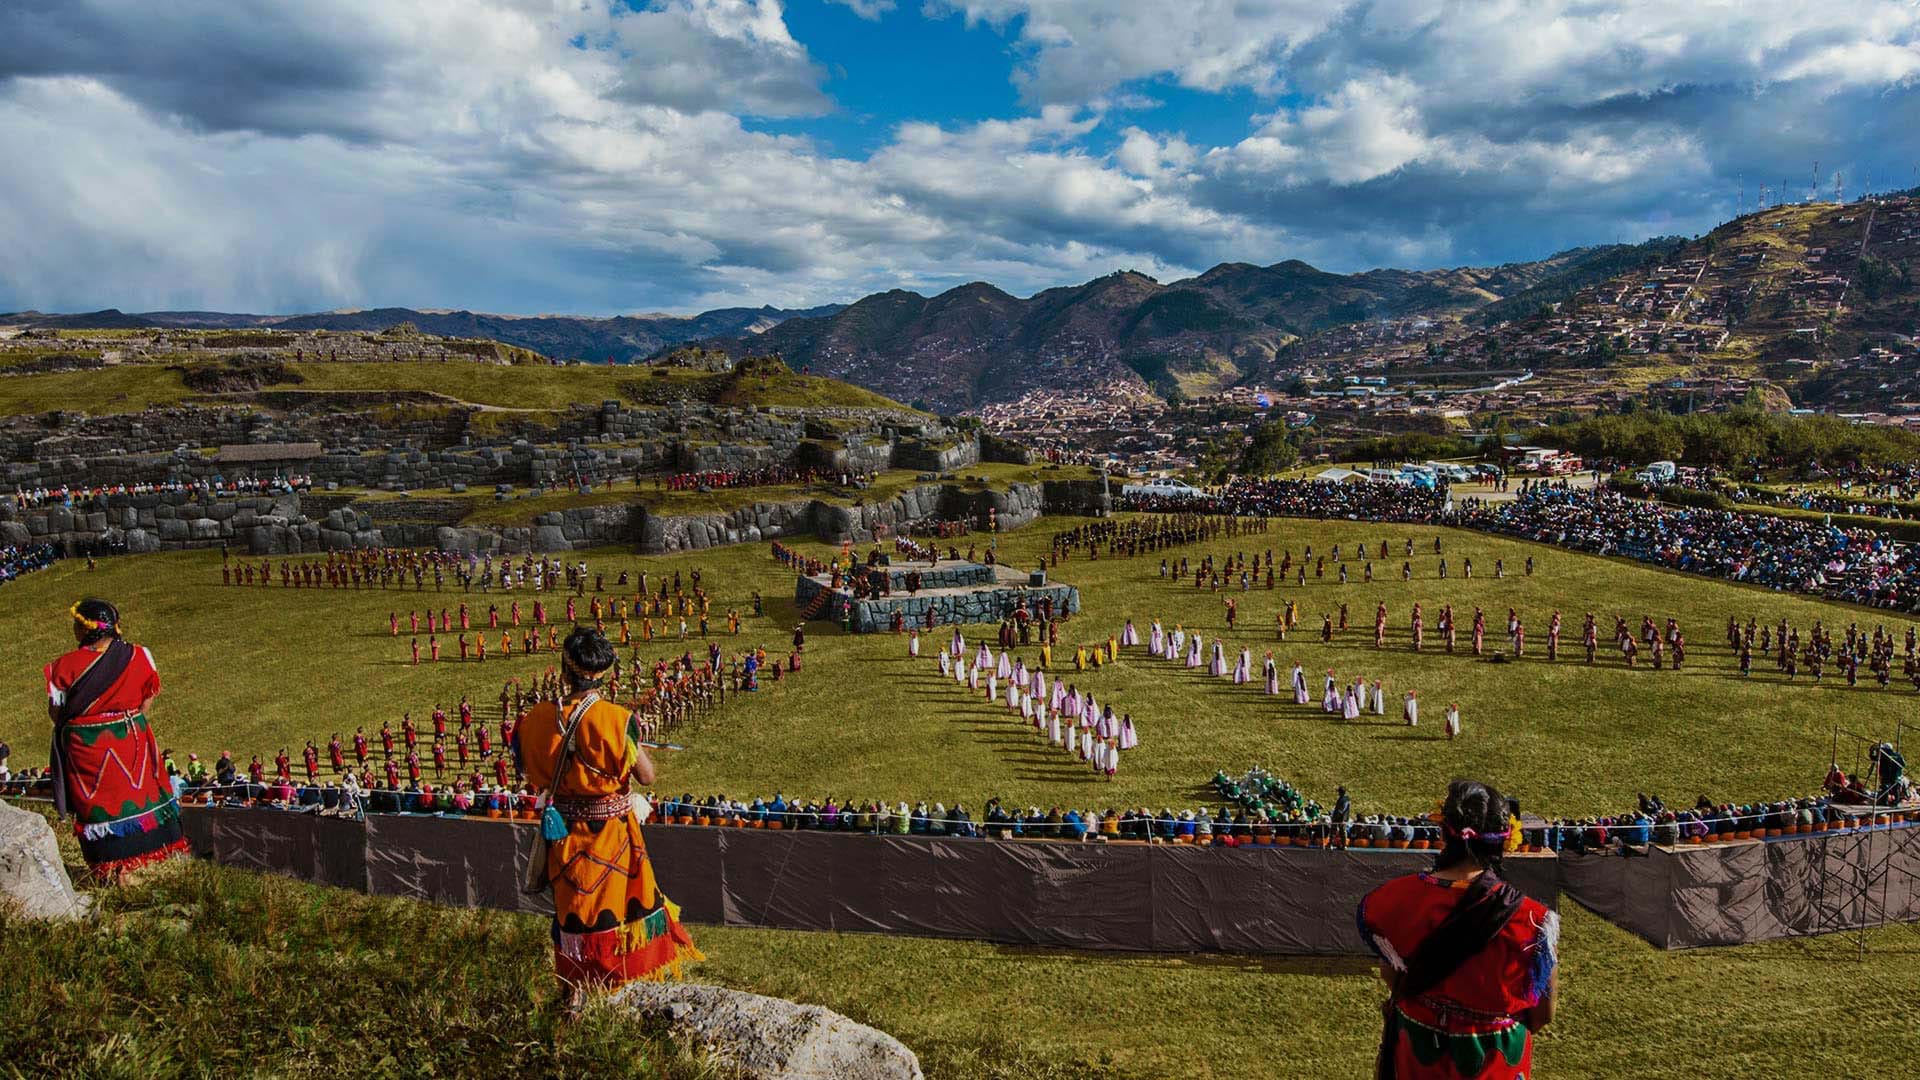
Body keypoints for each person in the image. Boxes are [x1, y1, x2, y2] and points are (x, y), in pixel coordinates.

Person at [515, 627, 701, 1012]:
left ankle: (572, 993)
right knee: (614, 910)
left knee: (571, 914)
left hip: (562, 834)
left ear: (563, 670)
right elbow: (647, 776)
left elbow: (529, 769)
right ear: (605, 673)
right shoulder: (617, 720)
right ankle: (613, 986)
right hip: (610, 838)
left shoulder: (534, 719)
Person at [1358, 779, 1558, 1079]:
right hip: (1496, 1058)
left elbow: (1392, 974)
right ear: (1506, 840)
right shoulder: (1533, 920)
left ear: (1442, 832)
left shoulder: (1392, 900)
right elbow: (1543, 1014)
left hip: (1417, 1050)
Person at [42, 599, 189, 879]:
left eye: (76, 624)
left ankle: (108, 869)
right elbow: (147, 699)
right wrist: (128, 719)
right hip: (131, 737)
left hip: (86, 748)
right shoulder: (140, 655)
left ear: (86, 630)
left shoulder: (61, 667)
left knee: (99, 808)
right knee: (140, 797)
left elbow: (56, 712)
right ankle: (150, 862)